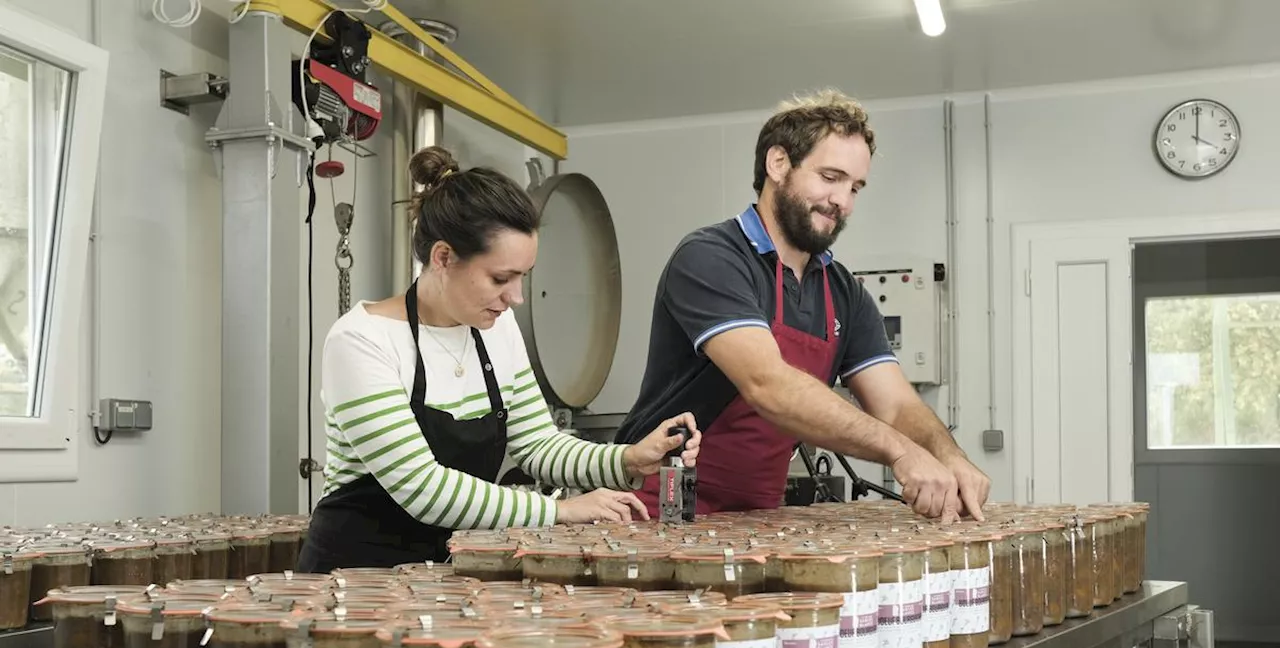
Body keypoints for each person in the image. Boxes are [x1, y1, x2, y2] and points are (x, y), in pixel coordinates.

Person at [298, 146, 702, 572]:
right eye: (500, 278)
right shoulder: (362, 340)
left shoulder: (497, 329)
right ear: (443, 257)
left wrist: (627, 459)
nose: (517, 298)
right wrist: (559, 511)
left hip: (446, 580)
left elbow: (537, 445)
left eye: (523, 277)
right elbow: (421, 487)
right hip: (352, 587)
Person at [616, 89, 988, 523]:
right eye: (830, 177)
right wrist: (899, 450)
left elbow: (896, 404)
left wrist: (948, 455)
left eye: (855, 187)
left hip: (756, 517)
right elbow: (768, 385)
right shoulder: (711, 257)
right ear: (778, 164)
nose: (843, 202)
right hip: (658, 510)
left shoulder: (842, 291)